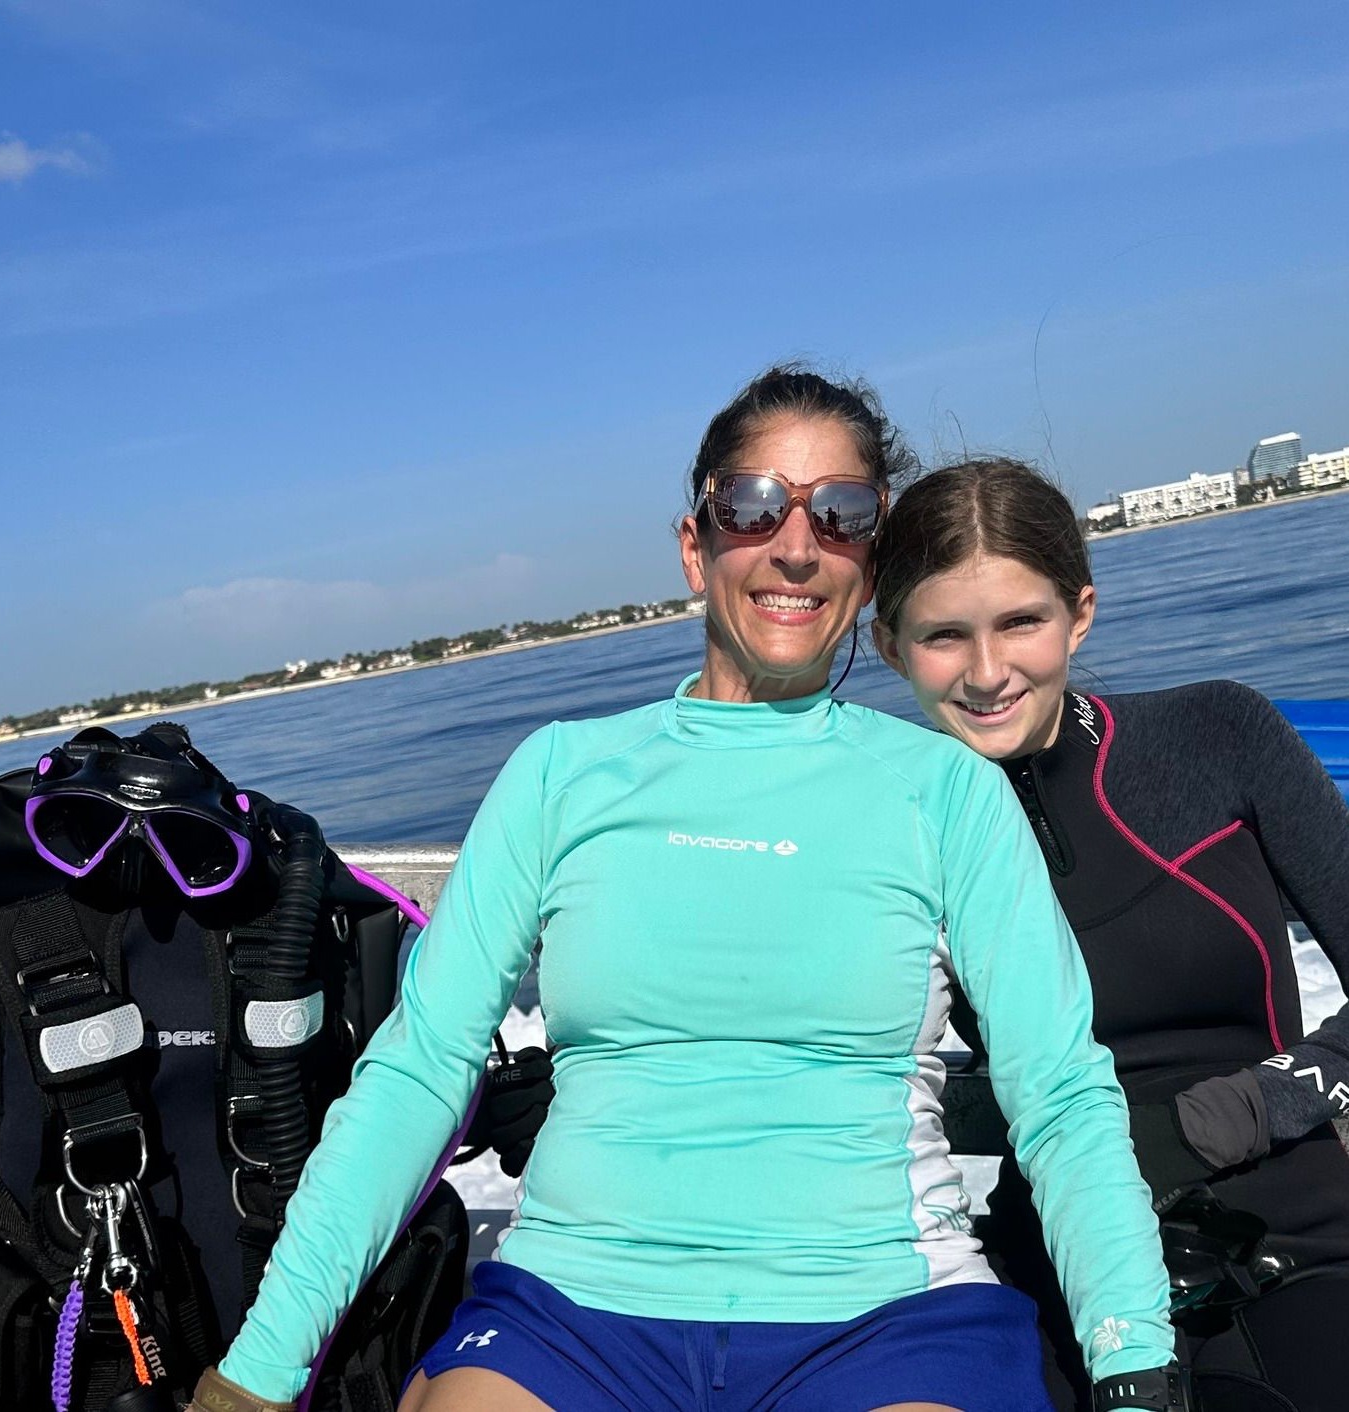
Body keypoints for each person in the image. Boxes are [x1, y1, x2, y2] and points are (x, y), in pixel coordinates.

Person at [192, 371, 1179, 1412]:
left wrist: (1132, 1367)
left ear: (868, 554)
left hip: (883, 1312)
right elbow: (418, 1068)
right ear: (693, 542)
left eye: (838, 513)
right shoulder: (560, 772)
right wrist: (257, 1371)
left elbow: (1057, 1090)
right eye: (753, 504)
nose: (794, 544)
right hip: (569, 1310)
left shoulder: (944, 790)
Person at [872, 457, 1349, 1412]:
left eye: (1021, 622)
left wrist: (1226, 1119)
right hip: (1052, 1239)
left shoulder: (1217, 736)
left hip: (1282, 1218)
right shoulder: (892, 828)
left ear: (1079, 613)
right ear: (889, 645)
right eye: (944, 637)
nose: (988, 672)